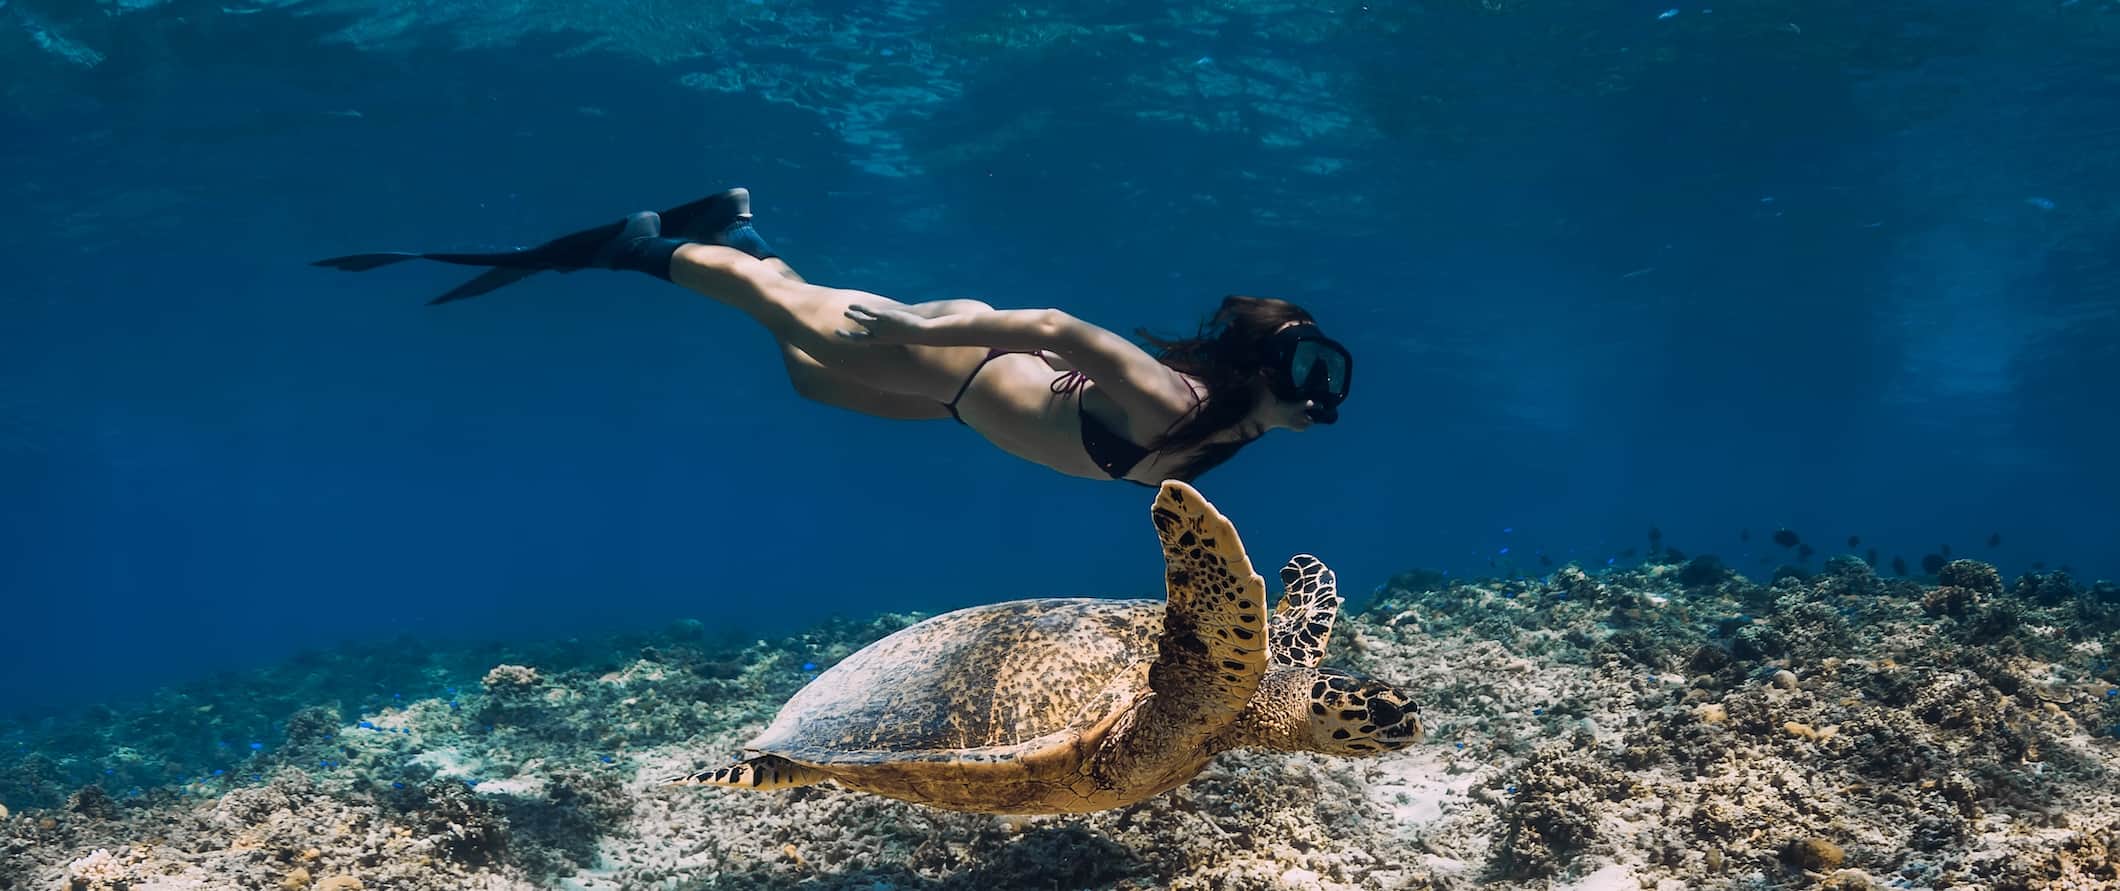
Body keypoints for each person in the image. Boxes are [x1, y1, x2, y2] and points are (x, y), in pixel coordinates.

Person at [313, 188, 1354, 484]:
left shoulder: (1240, 427)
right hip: (960, 353)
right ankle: (635, 246)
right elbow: (1050, 326)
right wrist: (908, 321)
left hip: (954, 400)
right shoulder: (1170, 403)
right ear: (1259, 373)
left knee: (808, 382)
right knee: (783, 316)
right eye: (1305, 370)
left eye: (1317, 372)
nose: (1318, 392)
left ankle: (738, 229)